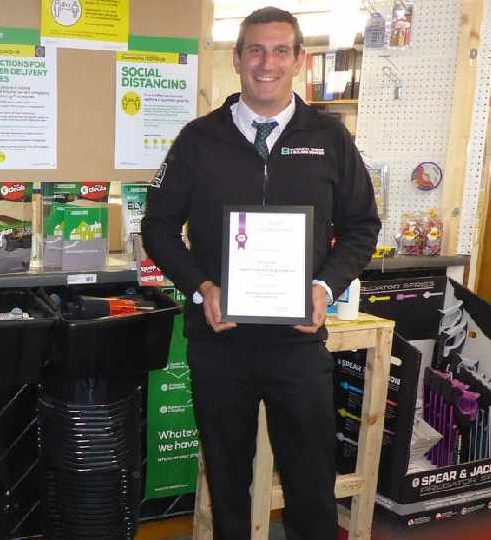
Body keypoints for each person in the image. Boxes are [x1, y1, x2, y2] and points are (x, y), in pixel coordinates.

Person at [141, 7, 380, 540]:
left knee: (311, 481)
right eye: (254, 50)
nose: (265, 63)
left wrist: (324, 286)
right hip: (220, 342)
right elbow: (156, 226)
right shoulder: (199, 140)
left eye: (279, 51)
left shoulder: (330, 139)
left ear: (299, 60)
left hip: (298, 343)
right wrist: (202, 287)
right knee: (227, 479)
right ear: (237, 59)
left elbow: (363, 225)